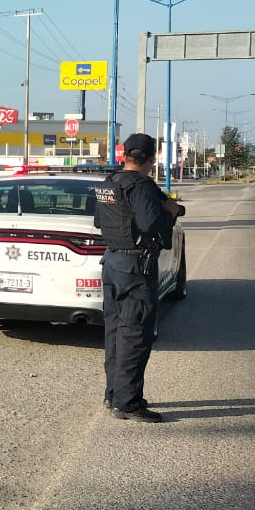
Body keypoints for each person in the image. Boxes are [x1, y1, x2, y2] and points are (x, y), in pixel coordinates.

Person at [92, 133, 184, 423]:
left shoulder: (111, 183)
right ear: (151, 157)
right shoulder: (142, 186)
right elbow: (150, 222)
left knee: (115, 333)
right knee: (135, 335)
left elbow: (100, 221)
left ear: (124, 154)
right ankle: (128, 403)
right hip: (136, 266)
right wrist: (169, 213)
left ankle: (113, 395)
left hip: (112, 262)